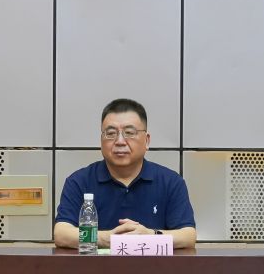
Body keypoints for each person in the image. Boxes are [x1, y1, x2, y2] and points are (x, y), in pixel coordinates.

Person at [51, 99, 198, 249]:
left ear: (147, 141)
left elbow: (188, 236)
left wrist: (150, 236)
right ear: (101, 140)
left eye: (129, 133)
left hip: (153, 264)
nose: (120, 141)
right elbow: (62, 234)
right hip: (97, 265)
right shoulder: (79, 181)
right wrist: (105, 239)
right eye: (111, 133)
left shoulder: (171, 182)